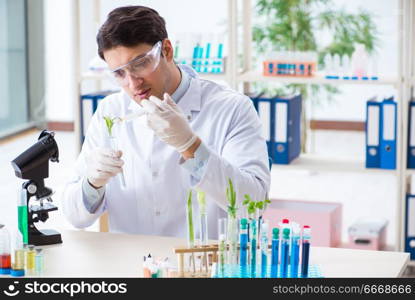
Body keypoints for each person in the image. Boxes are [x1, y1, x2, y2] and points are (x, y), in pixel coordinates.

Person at [62, 5, 270, 238]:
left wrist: (191, 146)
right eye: (120, 73)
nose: (133, 83)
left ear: (167, 50)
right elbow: (74, 216)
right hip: (131, 262)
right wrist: (92, 184)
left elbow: (253, 203)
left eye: (140, 63)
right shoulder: (110, 111)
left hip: (204, 263)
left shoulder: (231, 108)